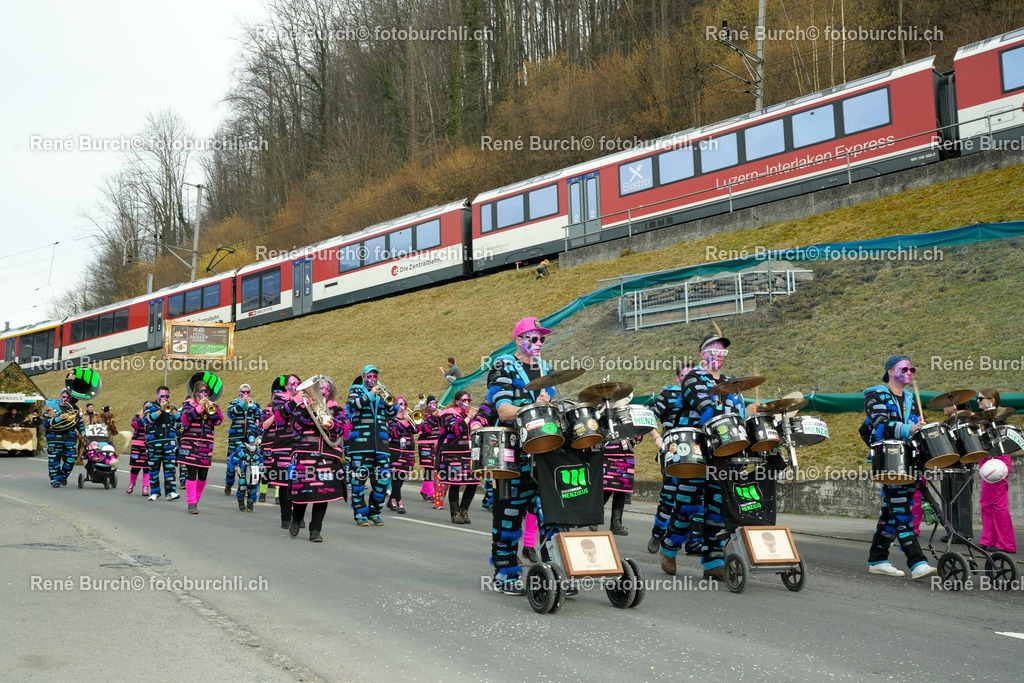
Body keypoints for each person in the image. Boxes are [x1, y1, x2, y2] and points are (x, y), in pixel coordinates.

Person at [663, 335, 756, 580]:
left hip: (724, 449)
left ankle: (713, 561)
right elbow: (705, 406)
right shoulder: (693, 377)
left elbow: (737, 415)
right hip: (694, 448)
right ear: (702, 353)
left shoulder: (730, 382)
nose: (719, 355)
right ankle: (670, 546)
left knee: (717, 506)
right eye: (713, 350)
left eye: (723, 352)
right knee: (687, 504)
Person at [487, 316, 556, 595]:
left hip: (545, 452)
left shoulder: (547, 368)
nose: (539, 343)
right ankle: (504, 573)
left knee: (551, 513)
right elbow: (503, 411)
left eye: (542, 338)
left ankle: (555, 572)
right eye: (533, 337)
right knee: (509, 515)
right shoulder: (503, 366)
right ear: (519, 340)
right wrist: (532, 406)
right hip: (513, 451)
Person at [860, 355, 937, 580]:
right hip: (889, 462)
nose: (910, 372)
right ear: (891, 371)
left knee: (891, 511)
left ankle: (877, 559)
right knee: (901, 509)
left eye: (912, 369)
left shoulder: (911, 399)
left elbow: (914, 428)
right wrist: (909, 429)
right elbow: (880, 425)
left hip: (908, 462)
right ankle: (917, 562)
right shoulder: (876, 395)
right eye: (905, 368)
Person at [648, 363, 703, 555]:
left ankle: (693, 540)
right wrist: (657, 437)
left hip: (697, 452)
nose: (687, 380)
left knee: (696, 497)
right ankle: (658, 534)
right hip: (672, 452)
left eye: (691, 376)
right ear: (677, 378)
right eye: (683, 376)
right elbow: (648, 417)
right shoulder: (668, 396)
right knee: (669, 495)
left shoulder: (701, 395)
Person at [289, 376, 348, 542]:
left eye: (325, 389)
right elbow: (295, 425)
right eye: (319, 388)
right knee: (303, 491)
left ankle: (315, 530)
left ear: (330, 392)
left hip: (328, 458)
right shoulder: (303, 406)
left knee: (323, 495)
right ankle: (296, 519)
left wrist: (332, 425)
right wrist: (309, 412)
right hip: (306, 455)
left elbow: (344, 428)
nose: (322, 391)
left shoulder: (336, 409)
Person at [345, 365, 396, 526]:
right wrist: (371, 394)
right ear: (363, 377)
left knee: (382, 480)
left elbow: (392, 414)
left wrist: (388, 403)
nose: (372, 378)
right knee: (359, 482)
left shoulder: (384, 392)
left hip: (381, 445)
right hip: (361, 444)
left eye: (375, 375)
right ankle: (360, 513)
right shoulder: (356, 391)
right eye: (369, 376)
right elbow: (352, 407)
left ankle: (375, 512)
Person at [436, 393, 493, 524]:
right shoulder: (448, 413)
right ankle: (455, 513)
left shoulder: (469, 415)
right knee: (455, 484)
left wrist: (477, 419)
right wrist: (468, 418)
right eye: (464, 400)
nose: (467, 402)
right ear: (457, 401)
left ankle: (463, 510)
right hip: (453, 454)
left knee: (473, 483)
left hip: (470, 454)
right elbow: (454, 429)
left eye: (468, 399)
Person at [976, 389, 1016, 554]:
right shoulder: (986, 420)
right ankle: (988, 539)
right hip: (989, 461)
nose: (977, 402)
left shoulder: (998, 420)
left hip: (997, 463)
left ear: (991, 400)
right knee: (986, 504)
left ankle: (1007, 543)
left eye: (980, 399)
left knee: (998, 505)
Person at [178, 380, 224, 514]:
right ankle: (192, 502)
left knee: (203, 476)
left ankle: (196, 498)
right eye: (201, 392)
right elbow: (183, 421)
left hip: (206, 445)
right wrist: (199, 409)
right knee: (192, 474)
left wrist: (211, 409)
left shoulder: (213, 405)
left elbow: (219, 421)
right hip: (191, 444)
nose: (204, 394)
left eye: (206, 391)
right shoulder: (188, 405)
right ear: (195, 393)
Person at [264, 375, 301, 529]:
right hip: (282, 444)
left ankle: (297, 515)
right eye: (292, 383)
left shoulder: (304, 398)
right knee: (284, 482)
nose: (295, 386)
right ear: (286, 386)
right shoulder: (279, 398)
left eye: (298, 383)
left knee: (299, 482)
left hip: (300, 443)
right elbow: (280, 416)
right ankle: (285, 516)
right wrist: (297, 400)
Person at [938, 402, 974, 543]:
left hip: (962, 463)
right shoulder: (948, 422)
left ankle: (964, 532)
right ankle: (952, 531)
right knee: (948, 499)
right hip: (948, 462)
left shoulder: (965, 420)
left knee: (962, 500)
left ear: (955, 405)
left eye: (945, 404)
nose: (942, 407)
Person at [225, 383, 262, 495]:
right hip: (236, 436)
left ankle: (244, 487)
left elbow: (260, 416)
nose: (246, 394)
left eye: (248, 392)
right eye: (244, 392)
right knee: (232, 462)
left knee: (247, 462)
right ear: (240, 392)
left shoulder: (254, 404)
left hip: (249, 439)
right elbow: (231, 414)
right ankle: (229, 483)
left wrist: (254, 407)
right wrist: (242, 403)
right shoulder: (234, 403)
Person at [145, 386, 181, 500]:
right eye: (162, 396)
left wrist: (172, 410)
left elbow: (180, 421)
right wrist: (160, 410)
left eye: (167, 396)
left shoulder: (171, 407)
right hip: (154, 443)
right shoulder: (150, 407)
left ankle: (170, 492)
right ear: (157, 395)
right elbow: (147, 420)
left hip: (169, 443)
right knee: (154, 469)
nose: (164, 398)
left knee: (170, 468)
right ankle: (155, 492)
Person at [599, 435, 640, 535]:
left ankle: (616, 523)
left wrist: (637, 436)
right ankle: (594, 516)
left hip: (626, 454)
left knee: (622, 488)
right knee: (606, 488)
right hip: (607, 454)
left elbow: (639, 432)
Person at [43, 389, 84, 487]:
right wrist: (58, 418)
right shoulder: (51, 408)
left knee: (71, 459)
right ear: (60, 396)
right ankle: (55, 479)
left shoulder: (73, 409)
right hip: (54, 438)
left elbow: (80, 422)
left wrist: (83, 432)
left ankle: (64, 476)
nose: (65, 399)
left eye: (68, 398)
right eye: (64, 397)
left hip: (70, 439)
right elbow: (45, 424)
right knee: (54, 461)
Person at [386, 396, 416, 514]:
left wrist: (410, 420)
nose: (403, 406)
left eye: (405, 404)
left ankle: (391, 500)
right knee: (395, 478)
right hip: (395, 452)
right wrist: (404, 422)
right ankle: (400, 503)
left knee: (401, 478)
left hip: (408, 453)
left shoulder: (408, 418)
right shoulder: (391, 419)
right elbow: (394, 433)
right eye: (400, 404)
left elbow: (416, 430)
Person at [416, 395, 441, 503]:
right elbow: (426, 429)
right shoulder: (423, 415)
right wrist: (433, 417)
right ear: (427, 405)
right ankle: (431, 494)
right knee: (430, 468)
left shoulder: (439, 415)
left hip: (436, 445)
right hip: (425, 444)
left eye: (435, 403)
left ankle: (424, 490)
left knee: (432, 469)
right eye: (432, 403)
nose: (434, 406)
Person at [125, 404, 149, 496]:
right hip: (137, 445)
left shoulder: (155, 416)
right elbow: (136, 425)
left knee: (147, 468)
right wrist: (146, 418)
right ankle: (132, 482)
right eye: (146, 407)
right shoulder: (137, 416)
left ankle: (145, 487)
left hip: (148, 445)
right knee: (135, 467)